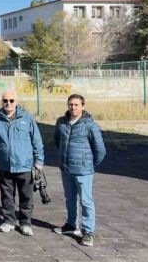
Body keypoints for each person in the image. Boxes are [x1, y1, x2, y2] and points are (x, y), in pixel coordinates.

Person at [0, 90, 44, 236]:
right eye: (5, 100)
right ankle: (9, 221)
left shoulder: (27, 118)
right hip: (5, 166)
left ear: (16, 102)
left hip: (24, 165)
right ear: (1, 102)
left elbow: (36, 141)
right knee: (7, 196)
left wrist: (39, 160)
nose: (8, 103)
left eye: (11, 100)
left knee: (26, 197)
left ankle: (25, 223)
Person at [53, 94, 106, 247]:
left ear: (82, 106)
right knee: (70, 198)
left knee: (86, 201)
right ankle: (71, 225)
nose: (73, 107)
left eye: (76, 105)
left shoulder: (90, 125)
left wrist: (89, 164)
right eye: (70, 104)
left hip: (84, 171)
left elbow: (100, 150)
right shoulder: (61, 122)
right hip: (66, 168)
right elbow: (58, 142)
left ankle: (88, 231)